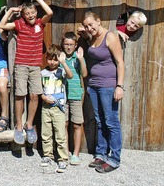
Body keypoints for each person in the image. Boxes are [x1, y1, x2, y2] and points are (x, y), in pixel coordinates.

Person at [0, 0, 53, 145]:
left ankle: (29, 125)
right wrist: (10, 11)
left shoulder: (40, 24)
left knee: (35, 95)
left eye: (33, 12)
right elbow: (2, 25)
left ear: (36, 12)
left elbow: (49, 13)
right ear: (23, 14)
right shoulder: (19, 24)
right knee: (20, 95)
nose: (30, 16)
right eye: (27, 13)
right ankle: (18, 126)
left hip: (35, 66)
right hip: (21, 65)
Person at [83, 11, 125, 173]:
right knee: (100, 121)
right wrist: (86, 35)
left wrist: (119, 86)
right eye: (86, 26)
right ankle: (101, 154)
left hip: (108, 86)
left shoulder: (110, 37)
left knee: (111, 122)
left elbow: (120, 63)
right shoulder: (92, 37)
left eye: (91, 25)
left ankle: (114, 159)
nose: (89, 28)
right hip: (93, 85)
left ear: (98, 21)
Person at [40, 44, 73, 172]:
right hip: (46, 108)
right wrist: (43, 98)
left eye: (55, 59)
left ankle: (63, 159)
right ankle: (47, 155)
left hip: (59, 109)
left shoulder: (62, 71)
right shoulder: (42, 73)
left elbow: (70, 76)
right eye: (50, 59)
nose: (52, 62)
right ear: (46, 58)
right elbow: (39, 90)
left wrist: (63, 62)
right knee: (46, 133)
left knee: (60, 135)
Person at [60, 32, 87, 166]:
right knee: (64, 124)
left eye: (71, 45)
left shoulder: (78, 57)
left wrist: (81, 60)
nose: (68, 47)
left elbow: (84, 74)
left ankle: (76, 154)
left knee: (77, 124)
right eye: (66, 44)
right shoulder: (60, 57)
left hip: (76, 94)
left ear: (76, 45)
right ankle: (65, 151)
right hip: (62, 95)